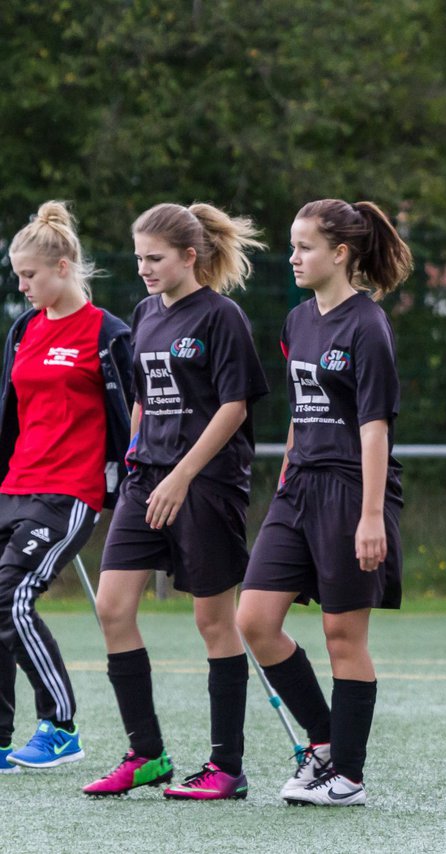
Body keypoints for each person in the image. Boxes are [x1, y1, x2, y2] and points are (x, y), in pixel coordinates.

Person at [82, 203, 269, 799]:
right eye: (139, 258)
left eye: (155, 258)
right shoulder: (142, 312)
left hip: (205, 483)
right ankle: (146, 754)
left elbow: (234, 407)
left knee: (213, 621)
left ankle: (226, 768)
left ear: (190, 256)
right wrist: (136, 454)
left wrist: (183, 476)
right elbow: (142, 396)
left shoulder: (222, 316)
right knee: (113, 607)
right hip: (148, 479)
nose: (144, 269)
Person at [236, 199, 411, 807]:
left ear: (340, 254)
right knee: (254, 620)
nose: (293, 257)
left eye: (304, 246)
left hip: (351, 489)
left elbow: (374, 428)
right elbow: (297, 409)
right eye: (292, 245)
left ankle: (349, 777)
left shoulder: (369, 325)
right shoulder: (297, 321)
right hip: (300, 487)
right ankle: (324, 744)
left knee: (342, 634)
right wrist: (286, 477)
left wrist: (369, 516)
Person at [0, 202, 133, 772]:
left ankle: (60, 725)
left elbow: (135, 416)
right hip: (14, 486)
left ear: (61, 267)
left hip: (69, 492)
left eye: (29, 276)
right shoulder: (24, 328)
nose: (22, 286)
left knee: (10, 596)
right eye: (17, 276)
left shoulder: (109, 334)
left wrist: (131, 486)